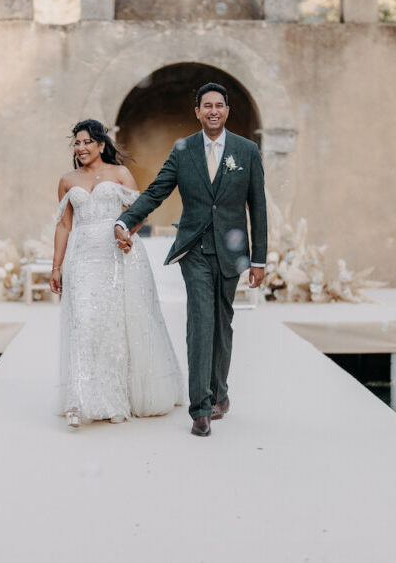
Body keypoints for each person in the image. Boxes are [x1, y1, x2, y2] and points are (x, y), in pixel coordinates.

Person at [115, 82, 267, 437]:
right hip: (194, 249)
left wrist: (258, 259)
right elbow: (157, 190)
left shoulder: (246, 151)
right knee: (200, 321)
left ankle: (220, 393)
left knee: (222, 323)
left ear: (227, 111)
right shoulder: (183, 151)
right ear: (197, 112)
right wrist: (125, 221)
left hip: (231, 252)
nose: (213, 111)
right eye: (206, 106)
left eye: (219, 105)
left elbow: (257, 207)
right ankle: (200, 408)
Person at [50, 119, 183, 428]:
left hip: (117, 256)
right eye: (77, 144)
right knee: (83, 323)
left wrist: (127, 234)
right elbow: (64, 224)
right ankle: (79, 400)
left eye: (86, 142)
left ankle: (113, 399)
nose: (81, 148)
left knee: (114, 326)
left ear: (101, 144)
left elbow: (137, 213)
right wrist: (56, 267)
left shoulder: (120, 173)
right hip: (82, 259)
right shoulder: (67, 180)